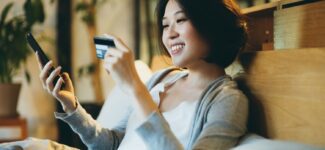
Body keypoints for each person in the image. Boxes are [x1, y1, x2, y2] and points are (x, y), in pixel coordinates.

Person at [36, 0, 248, 149]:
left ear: (212, 25)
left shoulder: (228, 100)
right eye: (165, 25)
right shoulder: (162, 79)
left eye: (181, 20)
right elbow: (112, 145)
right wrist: (72, 106)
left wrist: (134, 88)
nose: (170, 34)